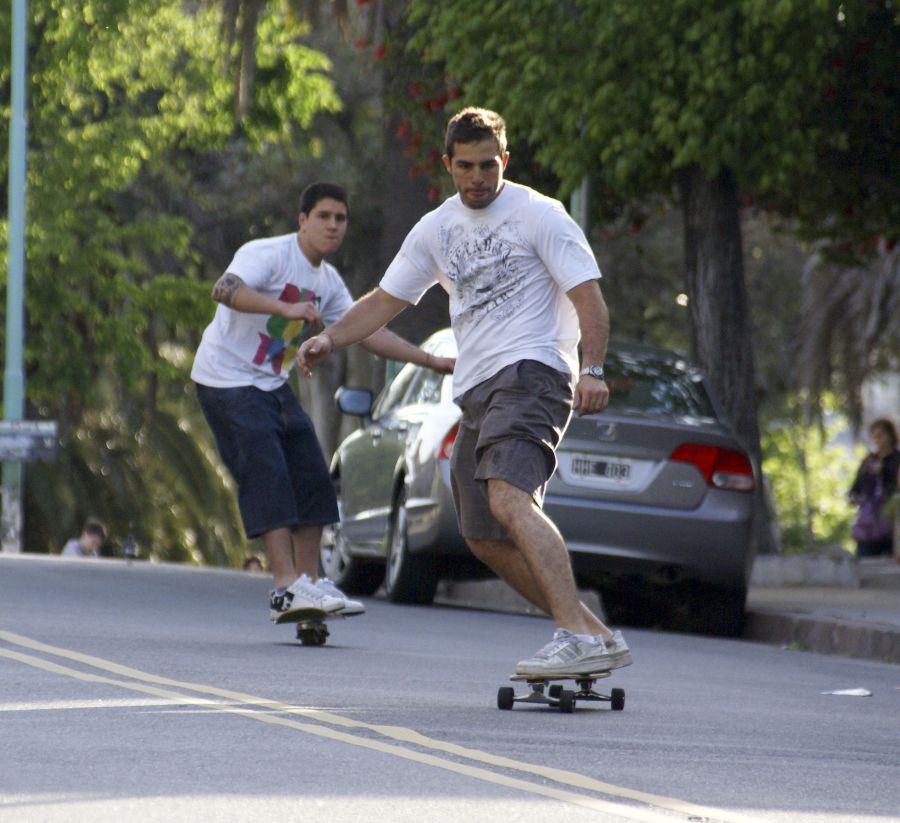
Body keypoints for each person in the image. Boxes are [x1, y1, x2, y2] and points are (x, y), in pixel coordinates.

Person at [298, 108, 632, 676]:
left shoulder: (540, 215)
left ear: (505, 160)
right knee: (481, 533)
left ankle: (573, 633)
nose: (478, 178)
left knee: (507, 498)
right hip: (475, 387)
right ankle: (595, 636)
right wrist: (329, 338)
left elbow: (589, 301)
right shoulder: (436, 229)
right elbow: (384, 301)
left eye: (488, 166)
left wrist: (592, 369)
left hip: (535, 373)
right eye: (466, 167)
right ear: (447, 165)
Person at [191, 181, 454, 626]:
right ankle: (283, 587)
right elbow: (224, 289)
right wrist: (287, 309)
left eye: (341, 219)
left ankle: (308, 588)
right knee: (268, 469)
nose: (333, 226)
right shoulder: (268, 254)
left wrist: (428, 359)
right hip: (225, 380)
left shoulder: (327, 282)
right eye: (324, 217)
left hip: (271, 385)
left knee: (312, 472)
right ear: (303, 221)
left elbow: (366, 329)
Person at [849, 418, 899, 558]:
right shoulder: (869, 460)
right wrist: (853, 496)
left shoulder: (896, 460)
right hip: (869, 524)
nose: (878, 440)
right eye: (875, 436)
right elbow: (857, 486)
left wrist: (883, 473)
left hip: (892, 523)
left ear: (890, 436)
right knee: (865, 562)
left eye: (881, 435)